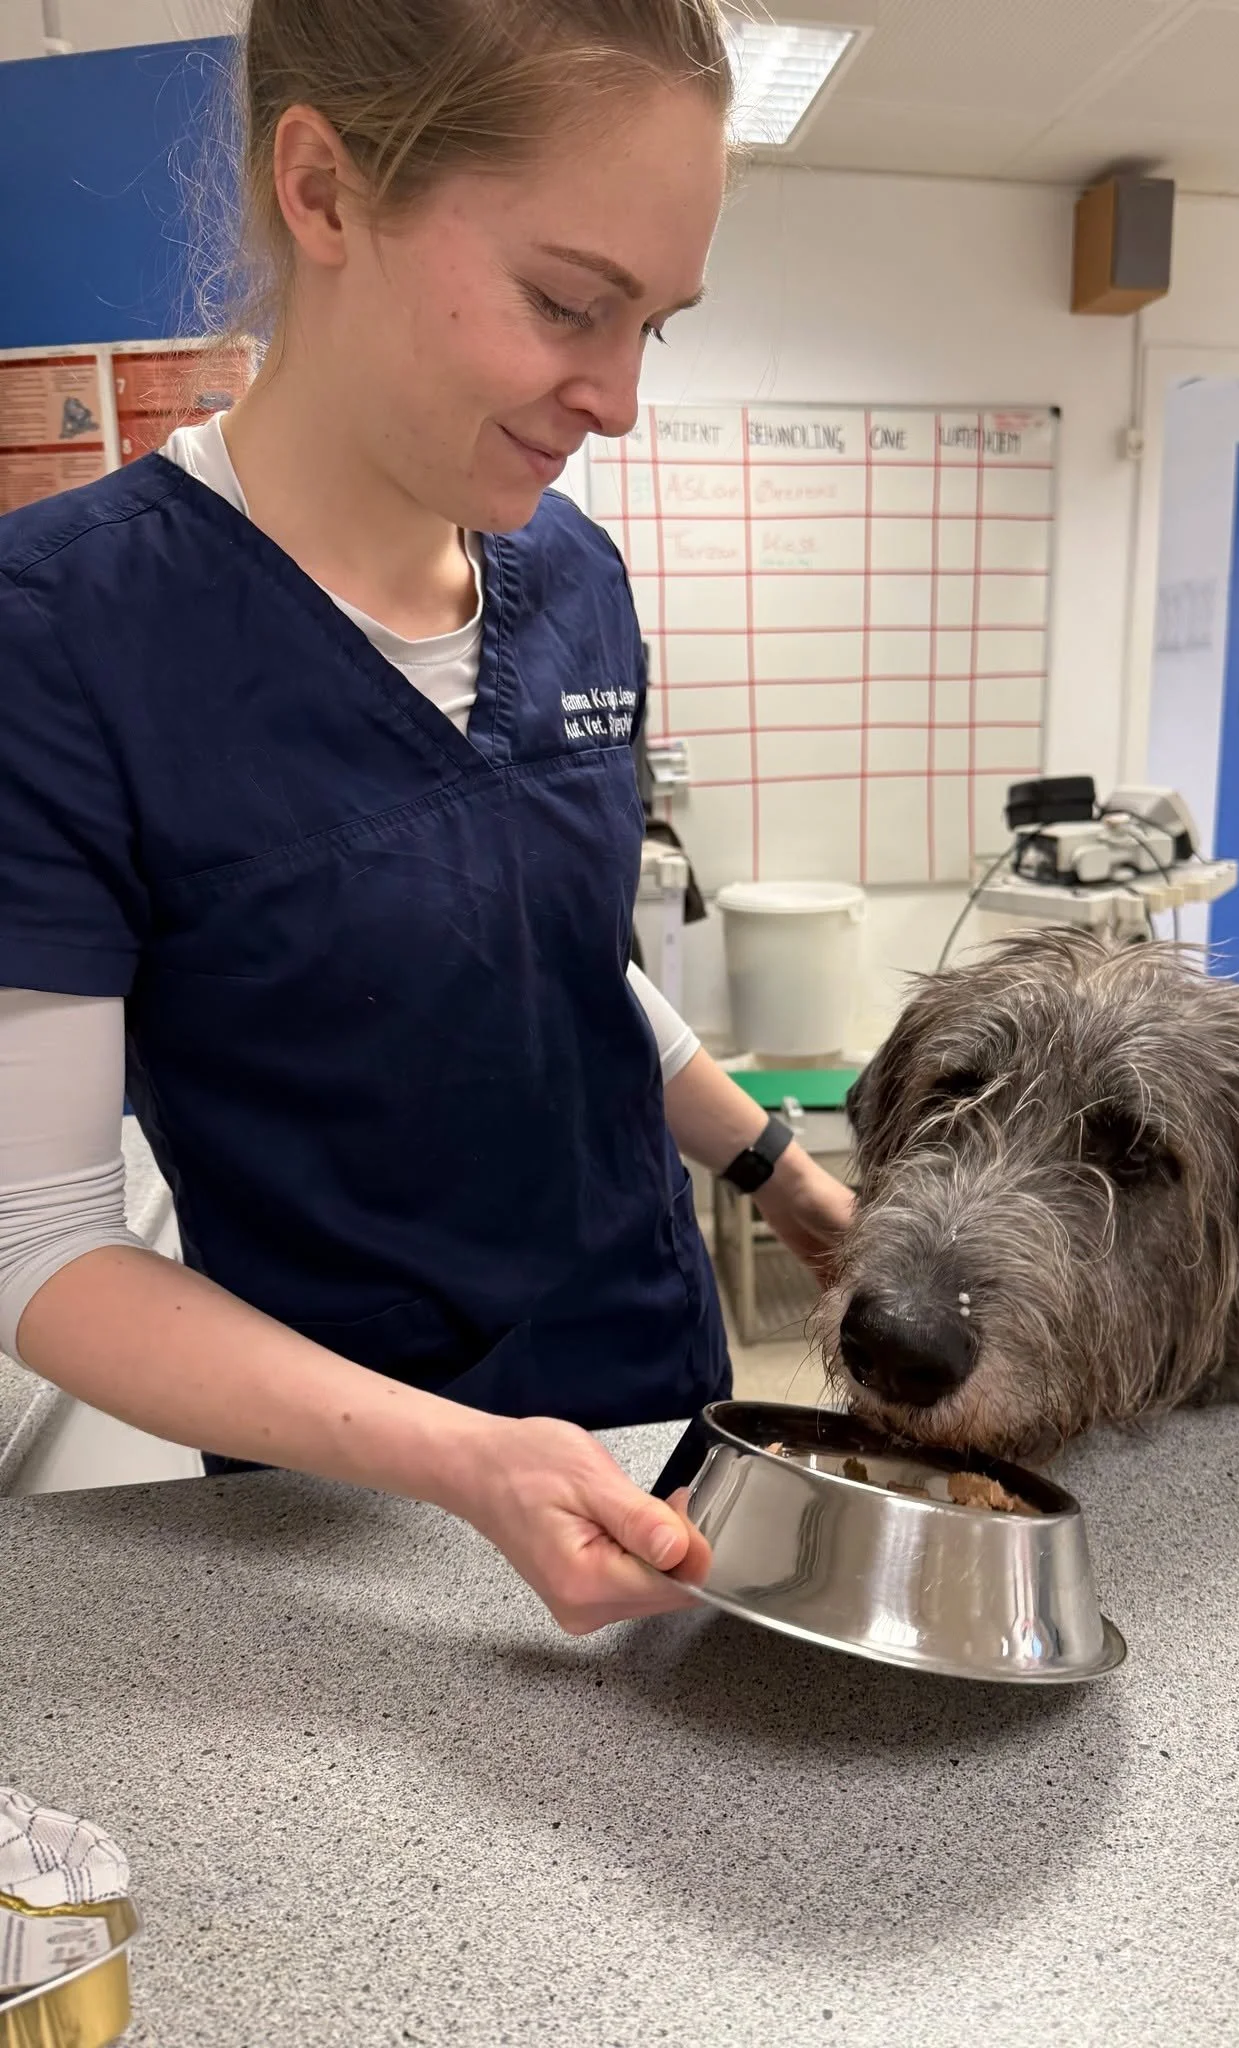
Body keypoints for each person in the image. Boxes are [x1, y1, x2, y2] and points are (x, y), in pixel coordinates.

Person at [0, 0, 854, 1634]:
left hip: (662, 1395)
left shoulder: (577, 582)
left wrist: (776, 1169)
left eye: (653, 328)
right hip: (356, 1514)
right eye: (565, 303)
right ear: (324, 191)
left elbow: (554, 952)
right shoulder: (61, 639)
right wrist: (463, 1461)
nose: (614, 398)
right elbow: (38, 1248)